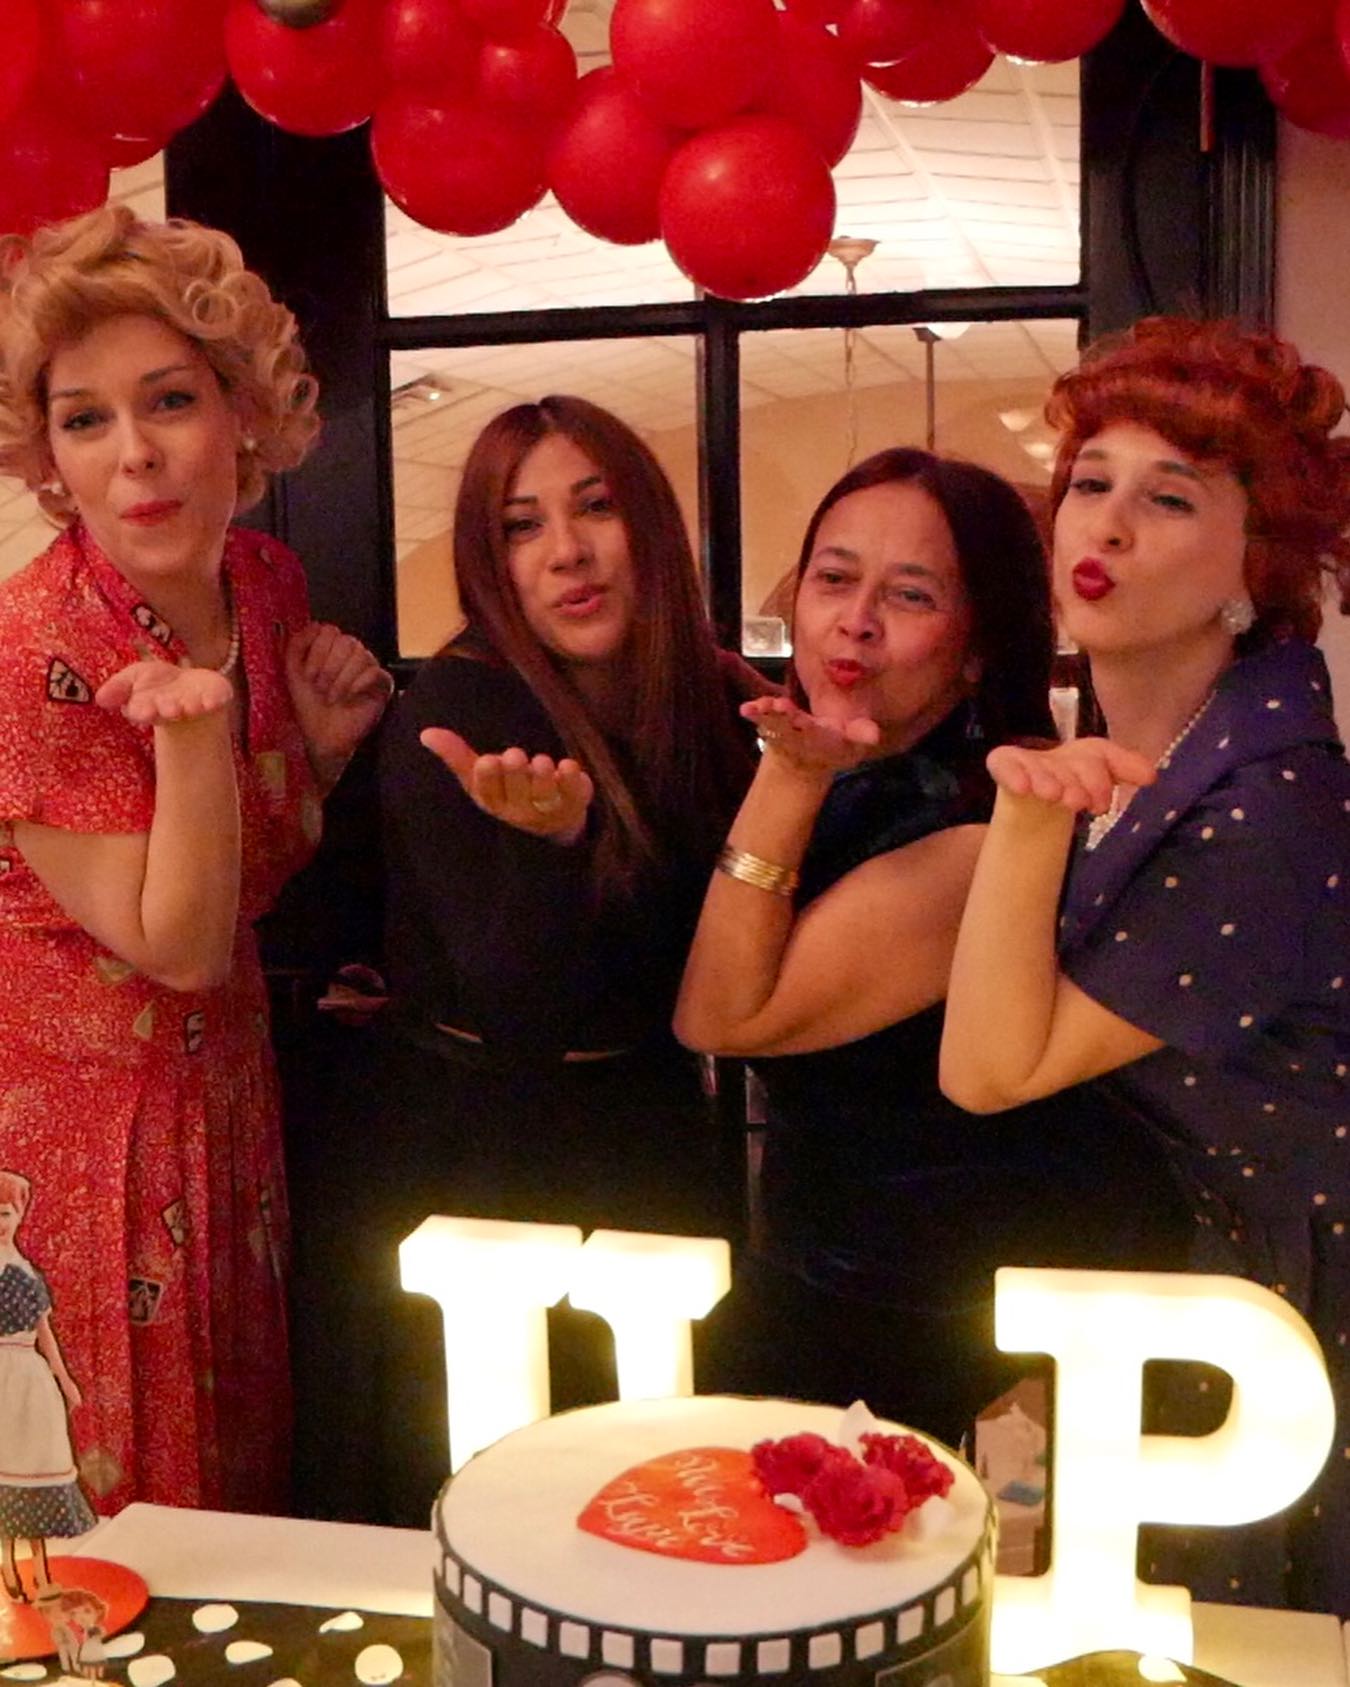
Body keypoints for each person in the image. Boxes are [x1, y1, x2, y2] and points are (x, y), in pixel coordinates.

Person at [291, 394, 764, 1526]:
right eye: (521, 524)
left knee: (660, 1498)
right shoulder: (462, 708)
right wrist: (551, 848)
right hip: (475, 1156)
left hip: (646, 1125)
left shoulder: (698, 699)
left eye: (595, 507)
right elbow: (517, 1016)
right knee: (489, 1511)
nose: (568, 551)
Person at [939, 316, 1350, 1614]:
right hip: (1211, 1293)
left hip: (1288, 1331)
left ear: (1254, 570)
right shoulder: (1180, 769)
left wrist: (1020, 806)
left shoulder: (1265, 807)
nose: (1100, 525)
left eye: (1166, 496)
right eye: (1089, 482)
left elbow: (989, 1066)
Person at [676, 448, 1191, 1451]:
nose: (853, 620)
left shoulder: (969, 828)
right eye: (833, 578)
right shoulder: (850, 769)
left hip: (935, 1321)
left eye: (908, 595)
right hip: (839, 1283)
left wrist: (791, 771)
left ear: (973, 653)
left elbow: (720, 1017)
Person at [0, 205, 391, 1518]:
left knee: (241, 1484)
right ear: (47, 453)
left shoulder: (263, 582)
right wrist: (197, 734)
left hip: (226, 1097)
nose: (137, 456)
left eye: (169, 399)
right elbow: (169, 938)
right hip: (72, 1147)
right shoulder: (32, 645)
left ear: (240, 414)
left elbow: (250, 879)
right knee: (119, 1523)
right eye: (86, 417)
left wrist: (320, 755)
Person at [0, 1170, 93, 1605]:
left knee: (35, 1458)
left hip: (28, 1378)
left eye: (6, 1214)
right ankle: (8, 1569)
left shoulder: (26, 1271)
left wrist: (65, 1378)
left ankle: (40, 1571)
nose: (1, 1223)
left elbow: (44, 1331)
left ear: (19, 1216)